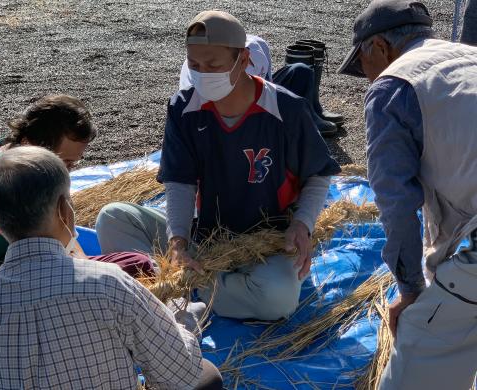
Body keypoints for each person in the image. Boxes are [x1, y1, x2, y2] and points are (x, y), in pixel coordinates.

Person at [96, 10, 341, 321]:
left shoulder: (286, 108)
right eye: (195, 66)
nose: (203, 74)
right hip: (205, 238)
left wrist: (302, 224)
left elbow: (318, 174)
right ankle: (199, 286)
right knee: (113, 218)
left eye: (213, 65)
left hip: (266, 245)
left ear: (244, 58)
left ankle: (180, 292)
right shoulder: (184, 108)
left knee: (277, 299)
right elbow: (180, 183)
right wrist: (178, 241)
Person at [0, 146, 223, 390]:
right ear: (66, 210)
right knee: (206, 375)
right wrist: (178, 322)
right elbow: (181, 374)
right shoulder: (108, 283)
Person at [339, 0, 477, 388]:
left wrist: (412, 290)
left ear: (380, 48)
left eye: (363, 65)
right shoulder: (468, 58)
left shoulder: (394, 86)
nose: (367, 78)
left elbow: (397, 203)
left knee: (421, 348)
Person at [0, 95, 154, 295]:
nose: (66, 172)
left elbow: (66, 237)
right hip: (6, 283)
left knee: (139, 266)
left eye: (72, 165)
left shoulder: (43, 172)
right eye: (64, 162)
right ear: (29, 144)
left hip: (49, 268)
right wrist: (17, 286)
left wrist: (90, 272)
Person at [179, 34, 341, 136]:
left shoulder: (258, 47)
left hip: (251, 103)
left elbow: (268, 88)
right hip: (216, 110)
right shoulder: (198, 67)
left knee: (300, 70)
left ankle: (311, 111)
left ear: (244, 56)